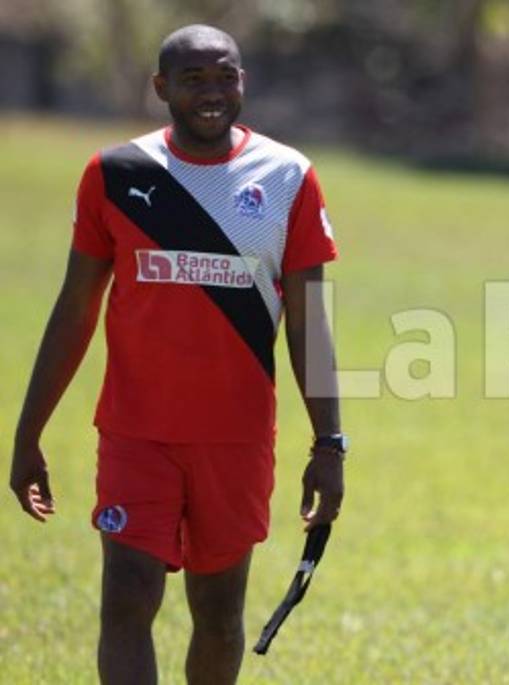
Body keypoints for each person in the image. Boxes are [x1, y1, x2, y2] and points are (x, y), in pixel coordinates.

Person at [8, 24, 347, 685]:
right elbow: (74, 309)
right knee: (126, 596)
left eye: (226, 77)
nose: (213, 92)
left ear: (243, 83)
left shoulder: (288, 177)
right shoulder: (116, 173)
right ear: (161, 88)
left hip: (234, 439)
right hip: (137, 433)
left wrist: (329, 443)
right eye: (194, 80)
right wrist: (28, 432)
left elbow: (310, 325)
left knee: (218, 615)